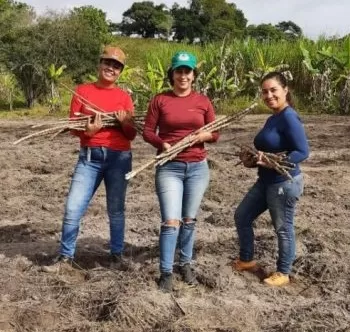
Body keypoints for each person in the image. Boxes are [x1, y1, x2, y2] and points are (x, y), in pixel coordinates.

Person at [43, 45, 137, 273]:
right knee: (73, 208)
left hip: (119, 158)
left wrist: (125, 123)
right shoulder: (82, 92)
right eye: (108, 63)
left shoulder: (124, 98)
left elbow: (132, 134)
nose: (111, 68)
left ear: (120, 72)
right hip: (89, 158)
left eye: (116, 66)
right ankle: (65, 258)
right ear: (100, 64)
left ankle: (116, 256)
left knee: (116, 210)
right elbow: (73, 127)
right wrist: (89, 132)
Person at [143, 51, 219, 292]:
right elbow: (147, 131)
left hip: (197, 167)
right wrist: (162, 144)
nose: (183, 75)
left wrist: (204, 135)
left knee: (189, 220)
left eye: (188, 71)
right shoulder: (160, 100)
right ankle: (166, 271)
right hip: (169, 167)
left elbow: (215, 133)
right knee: (170, 221)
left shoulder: (203, 102)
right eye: (179, 71)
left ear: (194, 75)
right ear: (172, 74)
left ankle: (185, 264)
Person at [233, 71, 309, 286]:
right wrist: (253, 160)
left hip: (283, 183)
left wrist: (276, 162)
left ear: (285, 90)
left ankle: (283, 273)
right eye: (265, 92)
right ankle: (247, 260)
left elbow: (302, 151)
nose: (269, 95)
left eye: (273, 90)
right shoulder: (273, 117)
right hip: (265, 181)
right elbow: (267, 148)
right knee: (242, 216)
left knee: (283, 228)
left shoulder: (289, 117)